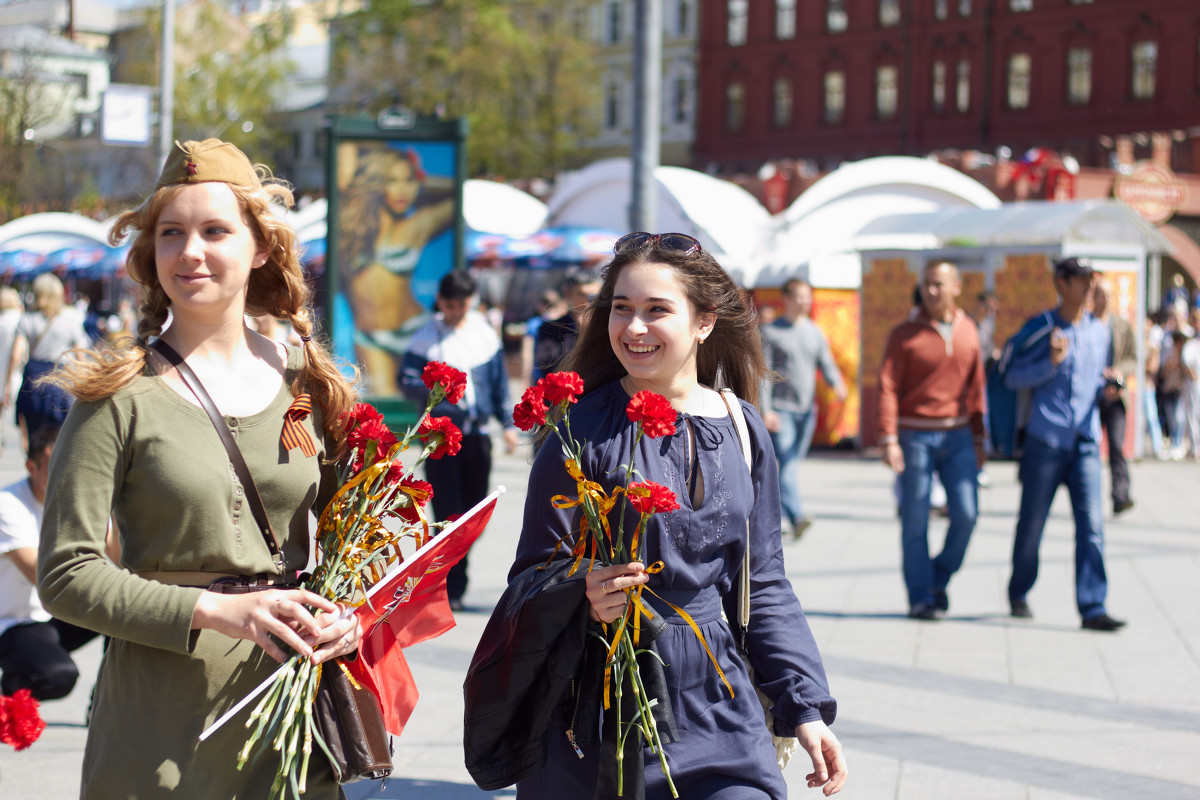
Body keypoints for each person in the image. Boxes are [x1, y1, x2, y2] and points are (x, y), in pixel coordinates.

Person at [36, 138, 361, 796]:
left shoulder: (309, 384)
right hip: (159, 732)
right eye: (171, 233)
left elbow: (357, 533)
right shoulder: (117, 395)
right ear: (150, 252)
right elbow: (65, 576)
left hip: (289, 721)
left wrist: (351, 612)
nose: (190, 252)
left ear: (260, 246)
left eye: (215, 230)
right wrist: (214, 609)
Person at [509, 233, 846, 798]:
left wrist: (804, 706)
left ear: (704, 322)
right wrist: (582, 593)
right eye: (621, 309)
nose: (633, 328)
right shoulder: (580, 431)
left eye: (656, 310)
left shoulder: (741, 427)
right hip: (602, 707)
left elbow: (762, 581)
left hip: (718, 699)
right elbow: (529, 577)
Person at [1004, 257, 1126, 632]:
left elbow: (1100, 379)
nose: (1090, 286)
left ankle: (1093, 606)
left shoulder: (1100, 331)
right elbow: (1010, 377)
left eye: (1093, 279)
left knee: (1092, 526)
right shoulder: (1041, 329)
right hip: (1045, 441)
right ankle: (1019, 590)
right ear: (1063, 283)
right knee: (1032, 524)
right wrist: (1050, 365)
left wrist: (1110, 386)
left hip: (1086, 442)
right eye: (1083, 279)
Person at [400, 269, 519, 611]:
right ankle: (447, 587)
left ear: (471, 302)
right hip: (441, 438)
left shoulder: (485, 335)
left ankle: (454, 577)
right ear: (440, 301)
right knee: (447, 513)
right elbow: (406, 378)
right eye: (449, 305)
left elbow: (497, 385)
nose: (454, 311)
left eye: (461, 305)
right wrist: (438, 394)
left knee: (473, 512)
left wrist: (507, 424)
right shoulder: (426, 338)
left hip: (478, 437)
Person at [878, 262, 986, 620]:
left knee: (967, 513)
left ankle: (938, 577)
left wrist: (980, 437)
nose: (931, 290)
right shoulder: (904, 333)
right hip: (914, 434)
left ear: (957, 286)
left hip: (958, 435)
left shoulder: (969, 329)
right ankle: (921, 596)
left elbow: (977, 389)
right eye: (926, 284)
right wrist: (889, 437)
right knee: (915, 518)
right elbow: (888, 387)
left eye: (939, 284)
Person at [336, 142, 456, 395]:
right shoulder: (351, 228)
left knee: (423, 409)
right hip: (371, 337)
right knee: (382, 410)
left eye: (409, 181)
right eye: (393, 180)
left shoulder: (415, 226)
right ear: (378, 183)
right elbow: (344, 161)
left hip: (415, 329)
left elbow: (457, 193)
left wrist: (421, 180)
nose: (403, 190)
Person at [0, 426, 101, 701]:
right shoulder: (7, 505)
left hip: (53, 613)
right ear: (31, 466)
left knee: (130, 613)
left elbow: (118, 561)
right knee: (58, 676)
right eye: (54, 467)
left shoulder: (75, 500)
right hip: (14, 622)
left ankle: (106, 700)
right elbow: (43, 576)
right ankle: (8, 688)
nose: (64, 477)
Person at [759, 278, 848, 538]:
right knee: (786, 465)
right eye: (799, 296)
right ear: (785, 299)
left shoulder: (813, 331)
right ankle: (797, 517)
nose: (805, 301)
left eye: (808, 296)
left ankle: (773, 514)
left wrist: (838, 384)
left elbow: (826, 362)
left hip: (807, 411)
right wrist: (767, 410)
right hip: (782, 409)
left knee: (792, 463)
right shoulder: (770, 332)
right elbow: (763, 373)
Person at [3, 273, 90, 449]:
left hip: (33, 380)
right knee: (61, 437)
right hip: (61, 381)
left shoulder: (28, 319)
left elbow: (16, 354)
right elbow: (81, 357)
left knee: (35, 437)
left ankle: (36, 469)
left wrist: (7, 383)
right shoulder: (71, 319)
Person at [1090, 277, 1136, 513]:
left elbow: (1132, 358)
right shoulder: (1086, 324)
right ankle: (1089, 495)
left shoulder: (1120, 325)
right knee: (1089, 448)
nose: (1106, 299)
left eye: (1109, 294)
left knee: (1117, 446)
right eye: (1101, 294)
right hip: (1093, 397)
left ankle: (1121, 494)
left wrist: (1119, 372)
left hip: (1116, 396)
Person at [533, 268, 601, 379]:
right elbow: (546, 364)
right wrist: (580, 331)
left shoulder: (608, 327)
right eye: (582, 294)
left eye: (593, 297)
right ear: (568, 294)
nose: (588, 301)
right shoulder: (550, 328)